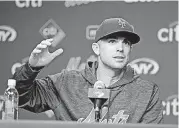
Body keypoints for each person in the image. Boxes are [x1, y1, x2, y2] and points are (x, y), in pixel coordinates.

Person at [12, 17, 163, 124]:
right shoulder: (66, 82)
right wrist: (31, 68)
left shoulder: (147, 91)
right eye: (112, 41)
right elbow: (20, 97)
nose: (120, 48)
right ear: (96, 49)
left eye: (126, 43)